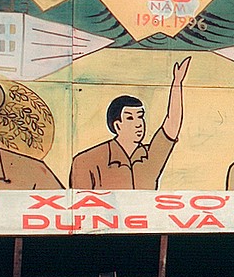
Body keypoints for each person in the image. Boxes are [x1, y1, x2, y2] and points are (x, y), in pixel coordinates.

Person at [70, 56, 190, 189]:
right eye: (130, 118)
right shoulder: (86, 161)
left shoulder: (150, 157)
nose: (138, 123)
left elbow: (172, 124)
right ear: (117, 125)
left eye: (140, 117)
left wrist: (177, 83)